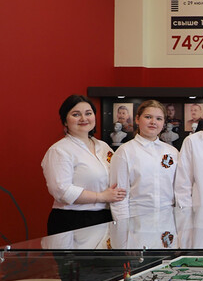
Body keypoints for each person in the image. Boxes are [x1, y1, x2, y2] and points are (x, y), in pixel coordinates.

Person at [42, 95, 126, 234]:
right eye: (76, 114)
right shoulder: (59, 150)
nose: (83, 118)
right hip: (74, 219)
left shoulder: (103, 147)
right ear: (65, 121)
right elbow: (62, 191)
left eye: (88, 113)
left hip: (106, 216)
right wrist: (101, 197)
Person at [109, 100, 179, 220]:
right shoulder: (125, 152)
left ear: (163, 123)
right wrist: (123, 226)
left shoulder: (172, 152)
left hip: (168, 221)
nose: (153, 122)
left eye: (159, 118)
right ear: (137, 119)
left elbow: (179, 191)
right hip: (137, 221)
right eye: (148, 117)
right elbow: (119, 197)